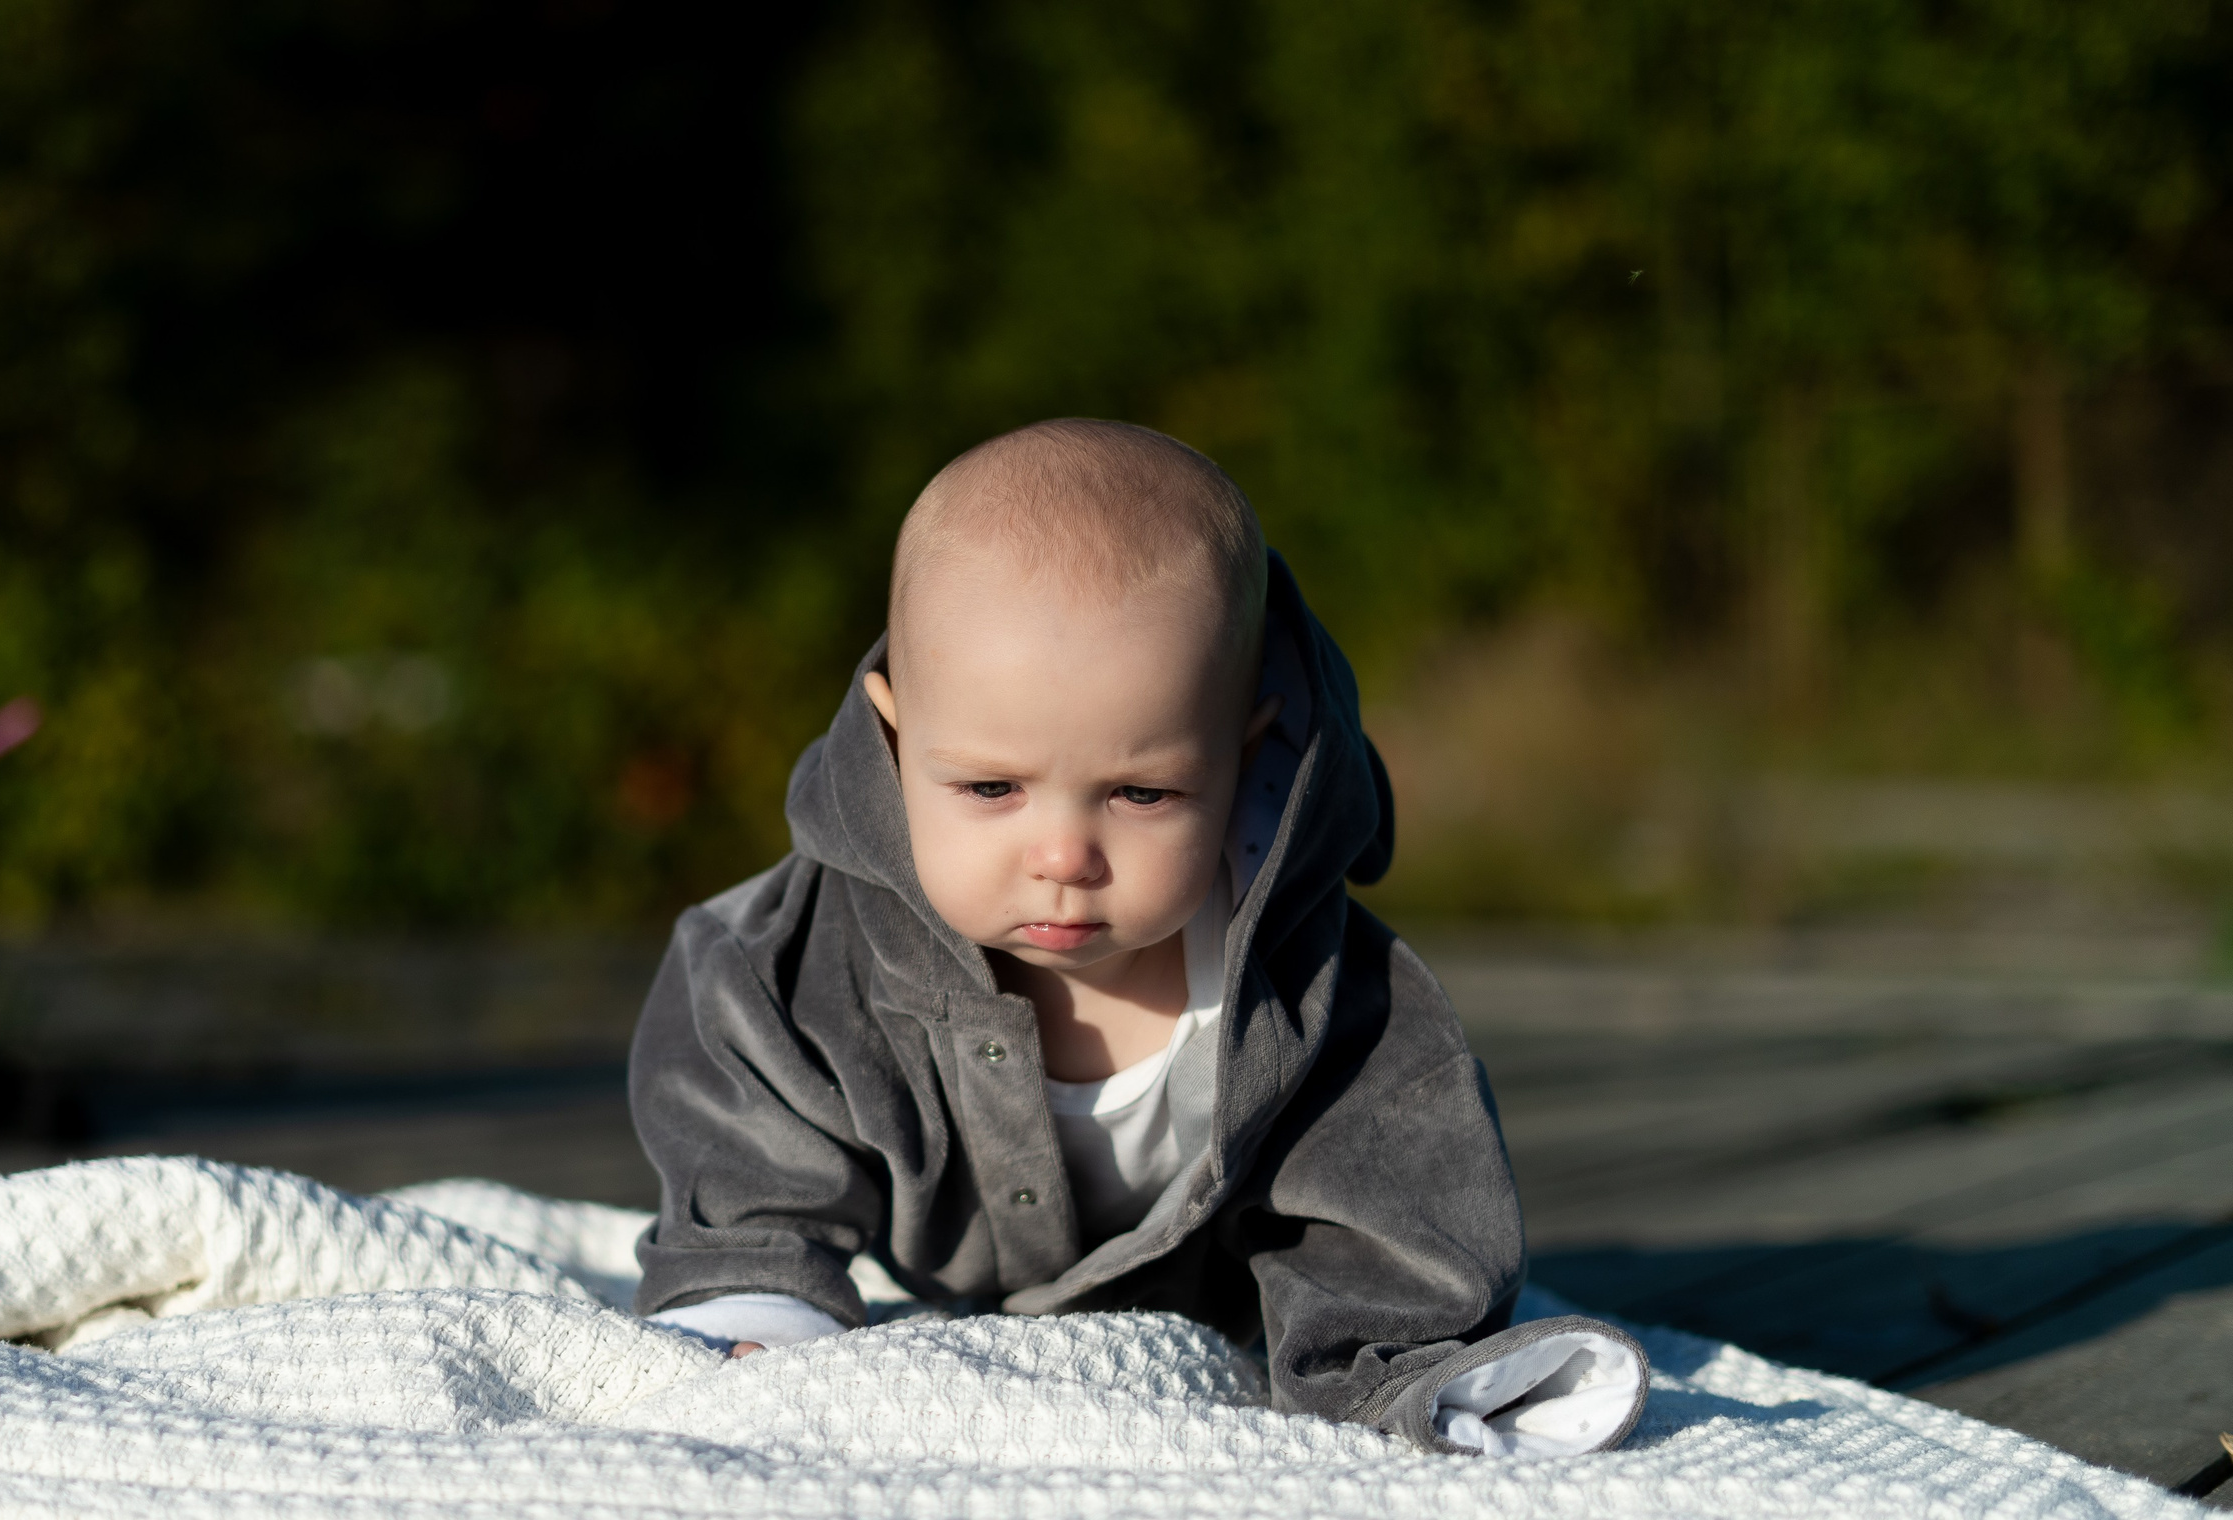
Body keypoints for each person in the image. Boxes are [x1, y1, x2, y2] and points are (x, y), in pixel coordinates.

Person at [630, 419, 1646, 1457]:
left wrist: (1409, 1337)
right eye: (991, 786)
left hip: (1222, 1289)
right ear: (892, 740)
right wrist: (755, 1284)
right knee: (744, 1050)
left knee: (1376, 1146)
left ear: (1240, 756)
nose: (1063, 852)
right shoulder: (801, 959)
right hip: (928, 1252)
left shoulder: (1303, 981)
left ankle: (1389, 1357)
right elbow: (741, 1095)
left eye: (1141, 790)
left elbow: (1403, 1163)